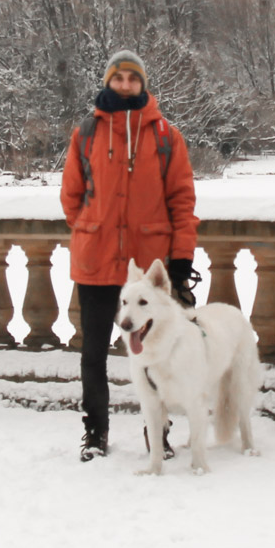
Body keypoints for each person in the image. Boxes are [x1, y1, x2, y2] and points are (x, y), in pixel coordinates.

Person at [60, 49, 199, 461]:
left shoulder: (165, 135)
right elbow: (70, 198)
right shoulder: (86, 132)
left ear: (143, 84)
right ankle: (95, 433)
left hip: (149, 271)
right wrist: (92, 227)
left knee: (161, 354)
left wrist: (180, 259)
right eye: (118, 78)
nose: (125, 85)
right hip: (97, 263)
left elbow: (182, 202)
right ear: (108, 82)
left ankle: (158, 434)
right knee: (94, 353)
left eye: (132, 79)